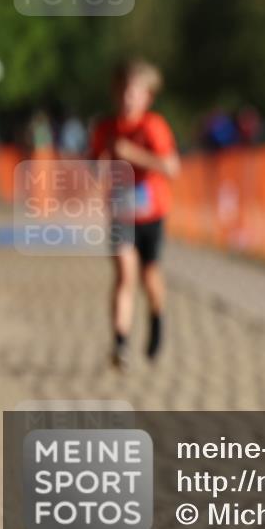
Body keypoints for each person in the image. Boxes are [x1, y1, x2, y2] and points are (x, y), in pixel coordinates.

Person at [90, 58, 180, 368]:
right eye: (122, 91)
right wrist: (100, 166)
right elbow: (94, 165)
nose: (127, 98)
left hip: (152, 213)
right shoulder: (104, 128)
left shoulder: (152, 126)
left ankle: (157, 317)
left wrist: (134, 155)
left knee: (149, 276)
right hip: (121, 213)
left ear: (147, 97)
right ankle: (121, 344)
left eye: (133, 92)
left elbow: (172, 168)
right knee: (124, 274)